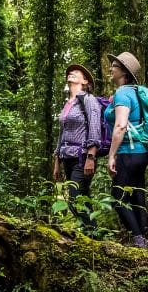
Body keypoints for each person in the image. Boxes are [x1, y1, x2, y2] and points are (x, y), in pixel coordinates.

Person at [105, 51, 148, 247]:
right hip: (142, 151)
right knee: (137, 193)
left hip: (127, 151)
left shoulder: (123, 93)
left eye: (114, 66)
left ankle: (138, 239)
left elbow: (121, 125)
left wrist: (111, 155)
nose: (110, 69)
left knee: (118, 197)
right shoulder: (136, 91)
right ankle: (144, 237)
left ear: (123, 71)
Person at [53, 63, 103, 227]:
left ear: (85, 81)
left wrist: (91, 156)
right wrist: (56, 161)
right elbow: (62, 133)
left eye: (77, 72)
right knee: (80, 198)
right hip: (67, 157)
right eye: (70, 72)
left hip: (82, 157)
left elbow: (95, 127)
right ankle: (93, 236)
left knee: (76, 199)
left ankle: (93, 236)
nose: (72, 73)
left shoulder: (88, 100)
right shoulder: (67, 104)